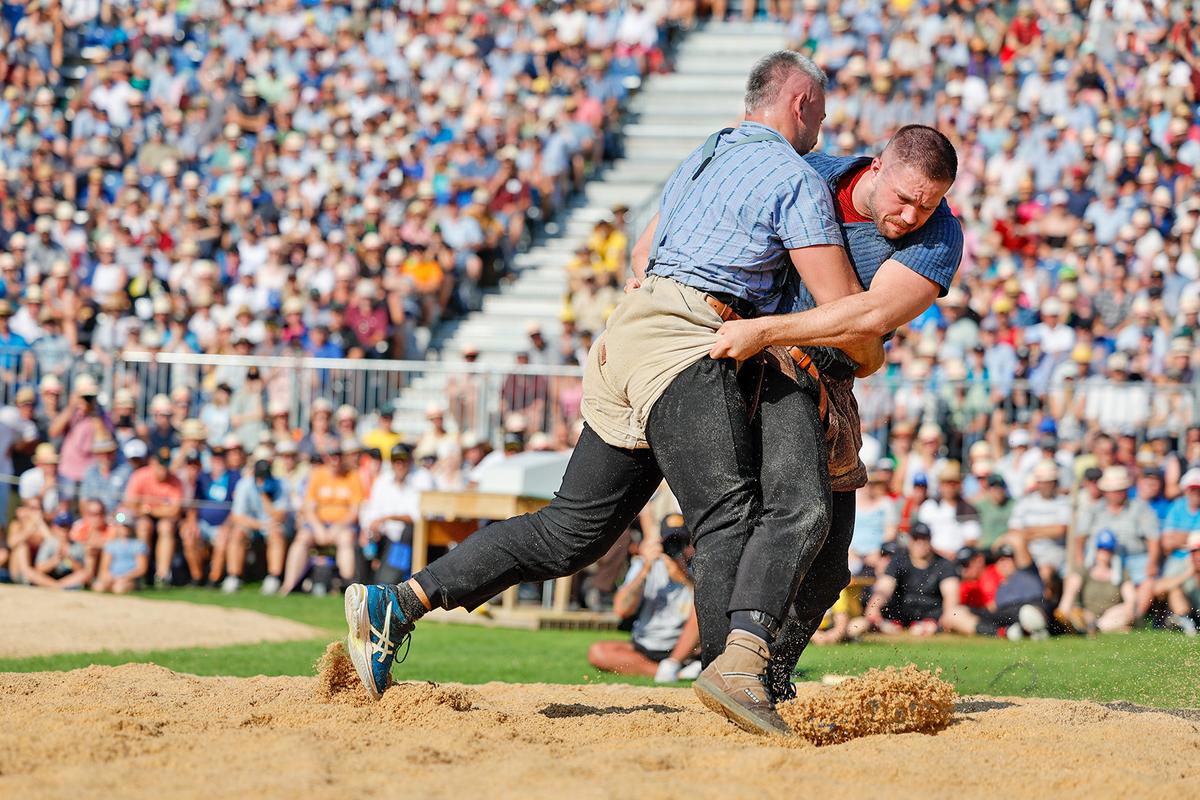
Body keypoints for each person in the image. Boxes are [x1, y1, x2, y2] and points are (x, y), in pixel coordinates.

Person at [344, 51, 868, 736]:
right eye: (820, 115)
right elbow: (842, 306)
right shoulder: (792, 175)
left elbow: (638, 255)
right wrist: (867, 333)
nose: (821, 131)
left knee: (570, 532)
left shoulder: (704, 156)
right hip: (687, 336)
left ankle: (399, 603)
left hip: (629, 333)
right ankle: (733, 686)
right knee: (727, 513)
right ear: (799, 101)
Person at [587, 515, 701, 683]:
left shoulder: (699, 567)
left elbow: (709, 609)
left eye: (681, 542)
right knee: (598, 652)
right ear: (660, 543)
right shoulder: (645, 565)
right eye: (670, 542)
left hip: (684, 646)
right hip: (646, 646)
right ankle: (672, 673)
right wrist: (645, 569)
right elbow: (621, 609)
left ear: (691, 545)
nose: (676, 549)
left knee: (700, 612)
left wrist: (684, 580)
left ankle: (674, 663)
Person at [283, 439, 363, 595]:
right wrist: (318, 528)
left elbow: (354, 511)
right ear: (326, 457)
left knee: (346, 540)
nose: (336, 460)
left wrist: (335, 528)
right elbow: (309, 508)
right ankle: (288, 585)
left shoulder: (352, 476)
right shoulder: (317, 475)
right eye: (332, 456)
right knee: (302, 539)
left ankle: (349, 588)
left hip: (342, 526)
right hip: (318, 524)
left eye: (339, 455)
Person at [861, 523, 960, 636]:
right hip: (900, 617)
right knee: (864, 624)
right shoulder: (898, 561)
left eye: (924, 539)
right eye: (916, 539)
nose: (920, 543)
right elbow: (884, 588)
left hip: (932, 618)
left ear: (930, 540)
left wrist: (946, 618)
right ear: (910, 541)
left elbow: (951, 596)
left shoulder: (944, 565)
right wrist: (873, 608)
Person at [123, 446, 184, 586]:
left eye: (165, 465)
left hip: (160, 519)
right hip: (141, 519)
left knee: (166, 527)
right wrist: (155, 510)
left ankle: (162, 575)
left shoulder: (175, 481)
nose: (163, 470)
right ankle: (141, 571)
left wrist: (149, 509)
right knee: (144, 526)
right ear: (152, 463)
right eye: (160, 465)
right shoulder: (140, 476)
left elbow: (174, 510)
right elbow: (131, 504)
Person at [227, 459, 286, 595]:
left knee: (276, 534)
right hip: (252, 525)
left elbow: (280, 516)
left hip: (272, 527)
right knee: (237, 533)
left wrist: (263, 495)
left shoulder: (280, 484)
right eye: (259, 476)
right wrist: (261, 525)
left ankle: (273, 578)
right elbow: (237, 516)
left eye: (264, 476)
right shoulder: (244, 485)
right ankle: (234, 577)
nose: (261, 479)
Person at [1007, 460, 1071, 584]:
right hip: (1027, 550)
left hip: (1053, 551)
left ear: (1054, 483)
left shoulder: (1064, 502)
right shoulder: (1025, 502)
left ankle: (1042, 601)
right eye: (1042, 482)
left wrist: (1028, 532)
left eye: (1048, 482)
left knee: (1045, 571)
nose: (1045, 486)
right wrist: (1045, 531)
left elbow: (1060, 530)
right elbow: (1014, 531)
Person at [93, 510, 149, 594]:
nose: (124, 528)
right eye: (121, 526)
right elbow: (104, 567)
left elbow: (141, 568)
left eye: (126, 526)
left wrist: (125, 577)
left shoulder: (138, 545)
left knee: (119, 588)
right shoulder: (111, 545)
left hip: (129, 579)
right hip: (113, 577)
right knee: (98, 586)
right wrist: (108, 577)